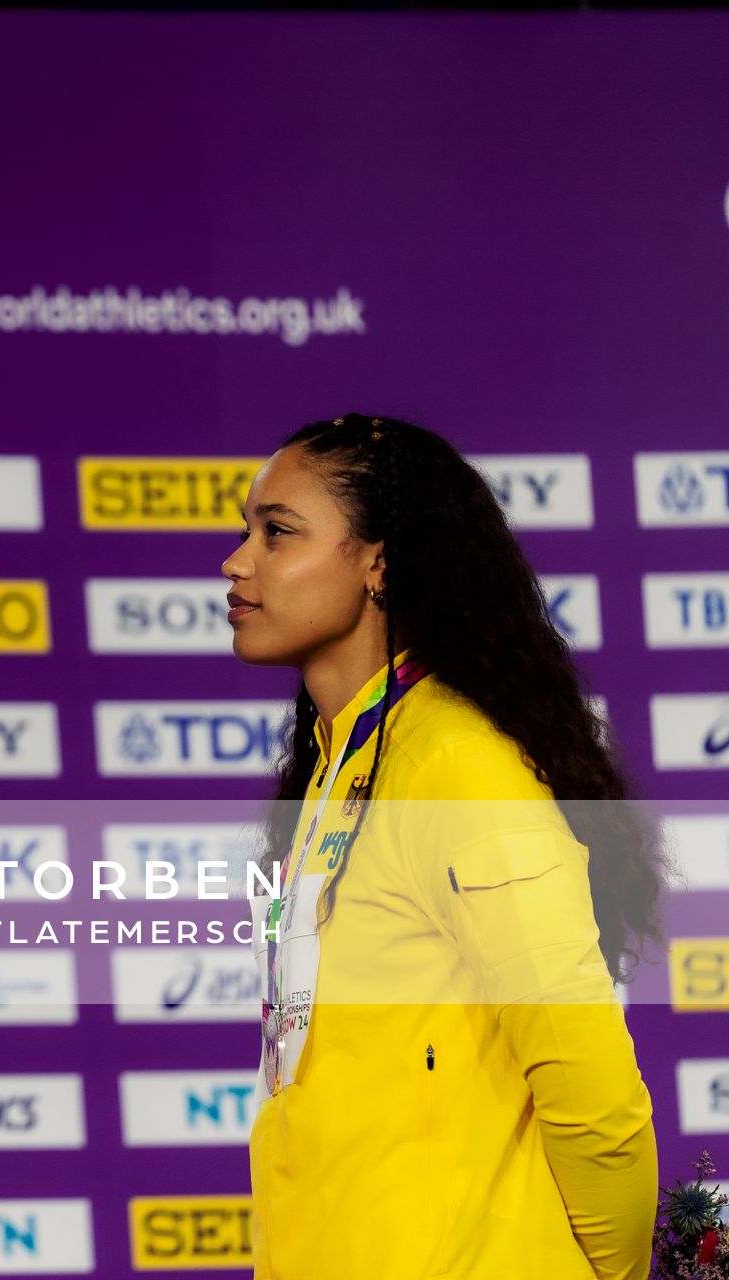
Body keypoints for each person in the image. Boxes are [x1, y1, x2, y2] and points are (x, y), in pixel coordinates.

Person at [220, 413, 667, 1279]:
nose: (238, 561)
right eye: (247, 531)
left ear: (378, 562)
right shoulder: (340, 757)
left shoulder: (458, 767)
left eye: (277, 533)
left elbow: (591, 1083)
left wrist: (613, 1275)